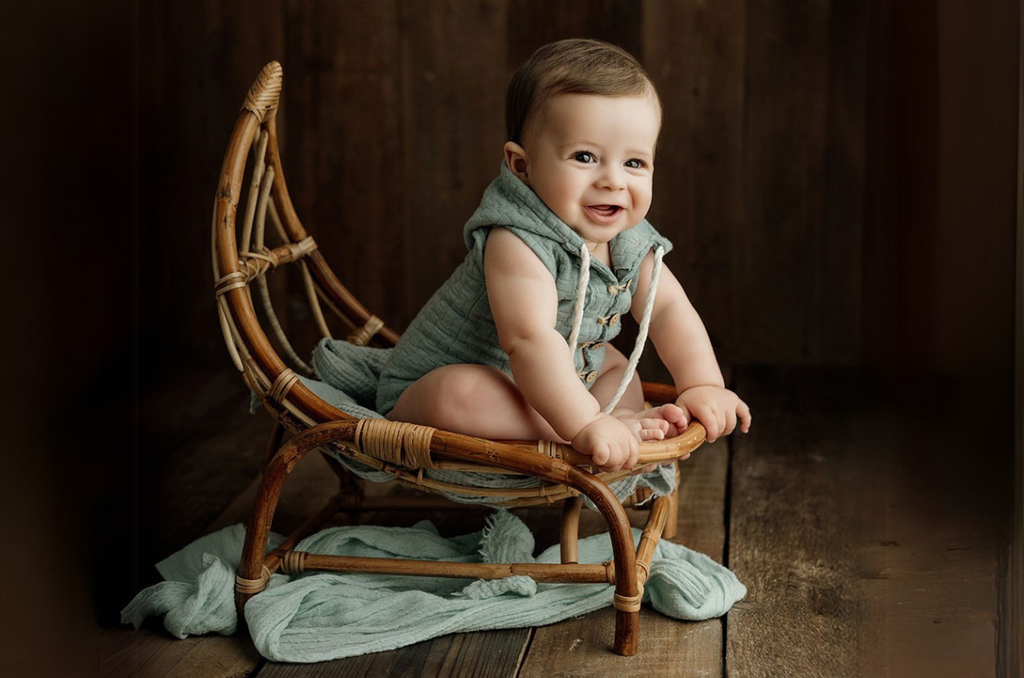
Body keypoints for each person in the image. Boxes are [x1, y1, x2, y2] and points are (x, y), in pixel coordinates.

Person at [376, 38, 750, 473]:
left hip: (563, 378)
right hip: (455, 382)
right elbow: (529, 339)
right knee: (458, 393)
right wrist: (585, 420)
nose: (613, 181)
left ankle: (617, 423)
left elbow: (668, 307)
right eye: (585, 157)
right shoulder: (516, 241)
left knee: (613, 363)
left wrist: (702, 383)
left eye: (634, 163)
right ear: (522, 166)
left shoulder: (628, 238)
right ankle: (586, 431)